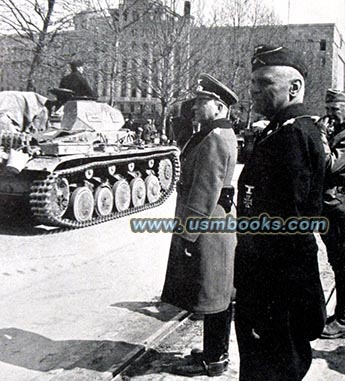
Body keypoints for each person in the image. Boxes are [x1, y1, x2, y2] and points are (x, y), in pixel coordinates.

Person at [234, 45, 326, 381]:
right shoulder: (279, 131)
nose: (255, 90)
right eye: (254, 82)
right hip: (266, 281)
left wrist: (263, 293)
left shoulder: (293, 136)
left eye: (265, 82)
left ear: (294, 88)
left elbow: (291, 227)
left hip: (275, 288)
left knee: (273, 368)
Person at [161, 73, 238, 377]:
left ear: (218, 107)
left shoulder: (216, 138)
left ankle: (215, 359)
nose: (194, 106)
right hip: (209, 226)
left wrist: (188, 235)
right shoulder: (210, 133)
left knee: (215, 296)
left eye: (201, 101)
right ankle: (212, 352)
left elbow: (206, 189)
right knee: (213, 293)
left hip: (208, 228)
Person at [319, 89, 345, 338]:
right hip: (332, 208)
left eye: (334, 110)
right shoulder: (336, 132)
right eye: (328, 109)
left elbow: (330, 164)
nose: (329, 115)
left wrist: (322, 137)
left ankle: (344, 320)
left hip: (341, 210)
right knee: (337, 263)